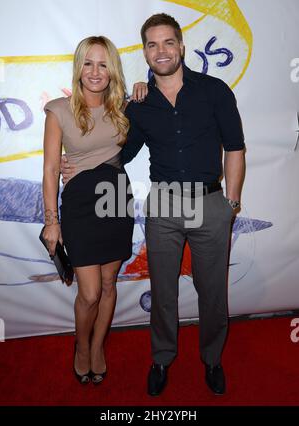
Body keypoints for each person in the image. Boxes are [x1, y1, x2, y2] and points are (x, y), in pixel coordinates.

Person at [61, 14, 245, 396]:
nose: (161, 51)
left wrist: (232, 202)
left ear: (181, 46)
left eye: (168, 43)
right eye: (152, 44)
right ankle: (162, 359)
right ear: (145, 52)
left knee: (213, 291)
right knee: (163, 292)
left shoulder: (214, 91)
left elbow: (236, 147)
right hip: (163, 203)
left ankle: (212, 359)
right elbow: (118, 153)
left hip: (210, 202)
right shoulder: (139, 104)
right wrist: (75, 162)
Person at [42, 35, 142, 385]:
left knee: (109, 284)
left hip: (116, 198)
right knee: (90, 293)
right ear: (78, 68)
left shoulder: (124, 107)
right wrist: (51, 222)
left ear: (112, 69)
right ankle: (81, 346)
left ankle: (98, 346)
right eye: (88, 63)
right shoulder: (58, 110)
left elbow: (160, 106)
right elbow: (51, 169)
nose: (95, 72)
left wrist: (144, 86)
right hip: (81, 205)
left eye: (103, 64)